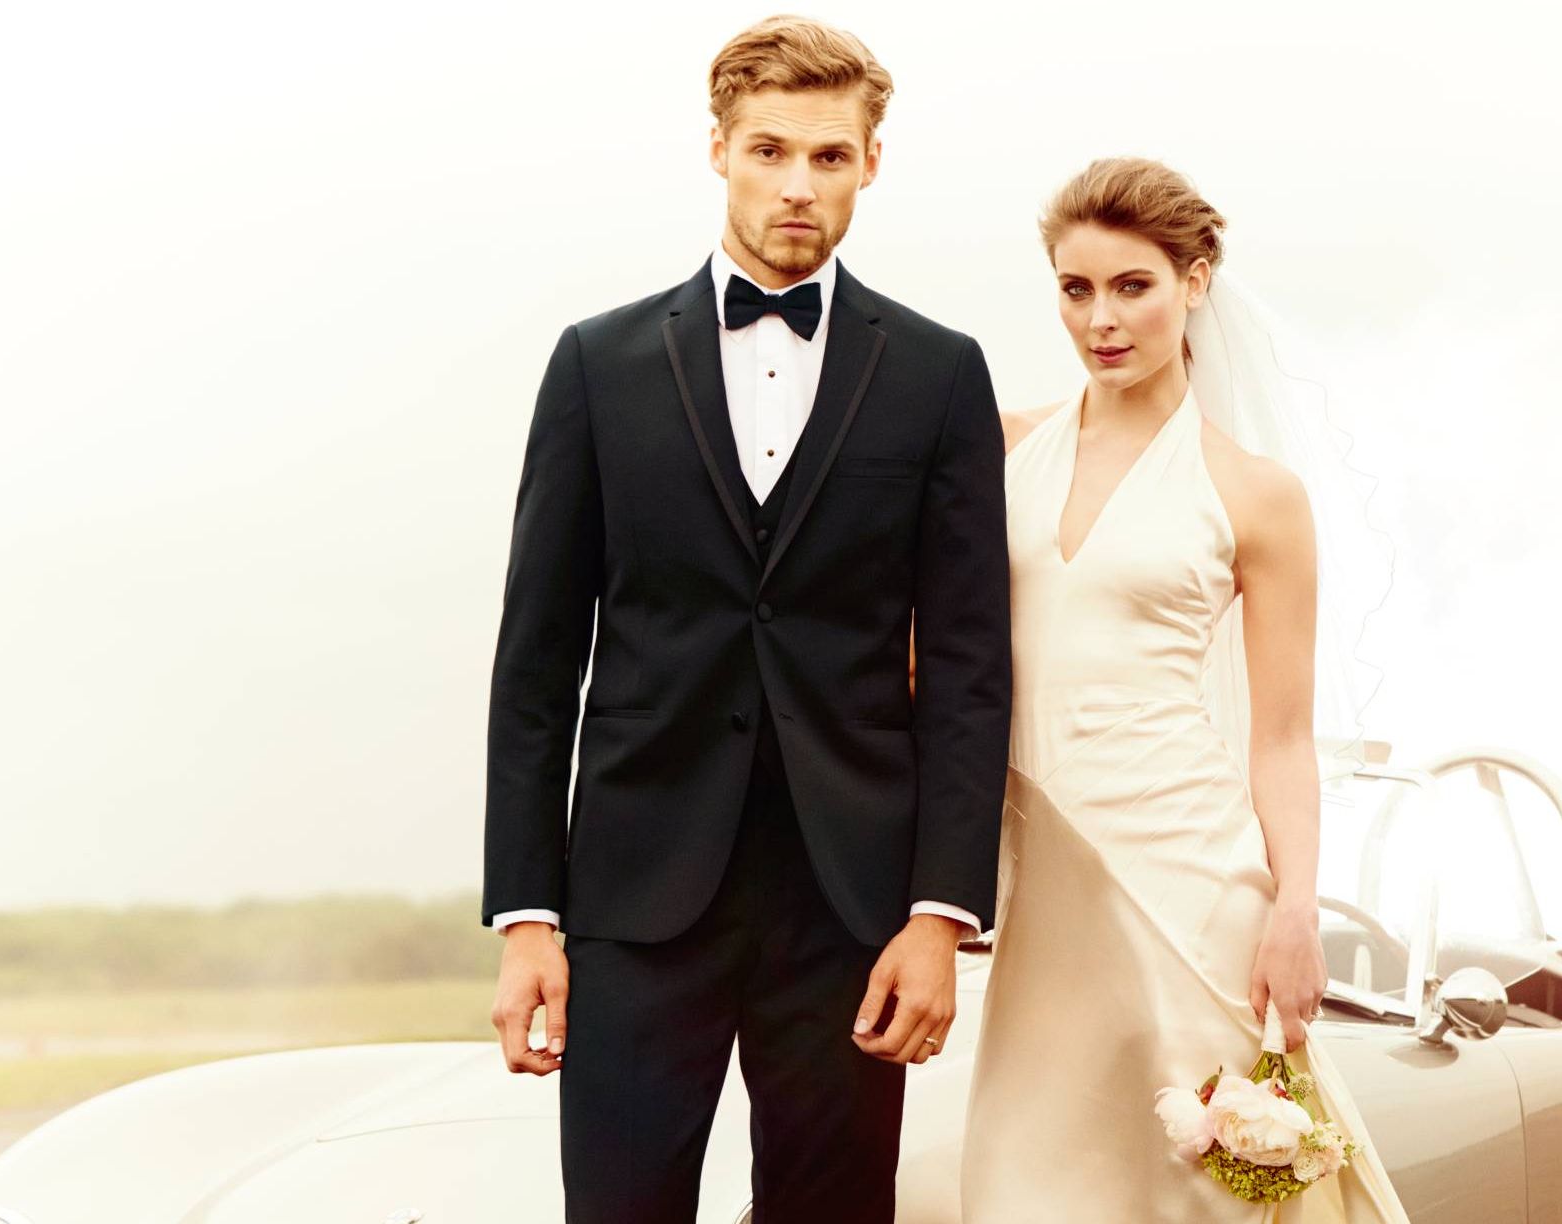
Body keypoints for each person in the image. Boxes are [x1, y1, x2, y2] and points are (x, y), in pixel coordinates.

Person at [478, 16, 1009, 1223]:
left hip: (849, 905)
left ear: (872, 164)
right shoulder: (596, 365)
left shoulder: (939, 374)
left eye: (829, 157)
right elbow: (536, 659)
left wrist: (940, 913)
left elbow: (973, 667)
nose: (797, 186)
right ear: (717, 150)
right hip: (634, 897)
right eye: (770, 151)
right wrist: (527, 916)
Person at [960, 157, 1410, 1222]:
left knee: (1214, 1192)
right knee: (1029, 1187)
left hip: (1194, 884)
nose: (1101, 319)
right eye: (1076, 289)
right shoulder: (1001, 449)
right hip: (1045, 886)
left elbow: (1285, 738)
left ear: (1195, 280)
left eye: (1133, 286)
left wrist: (1296, 907)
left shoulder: (1257, 495)